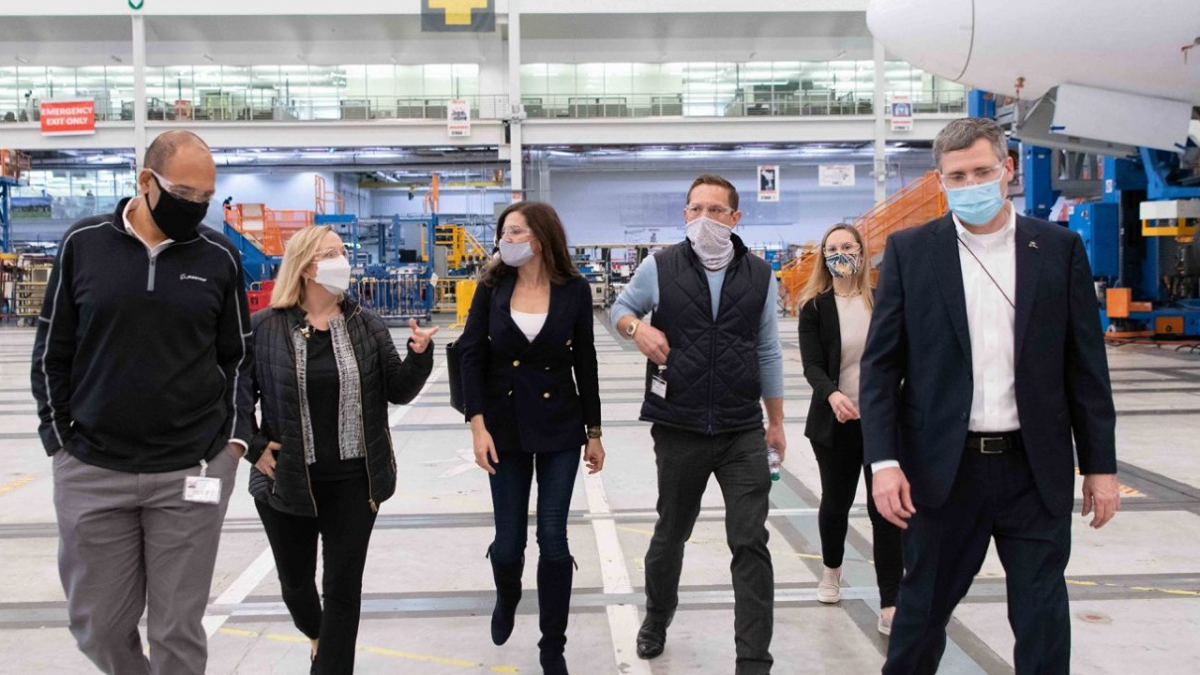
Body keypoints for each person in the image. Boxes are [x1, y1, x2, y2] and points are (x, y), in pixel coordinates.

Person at [860, 117, 1121, 674]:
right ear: (940, 181)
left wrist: (1100, 465)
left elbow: (1085, 367)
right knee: (921, 615)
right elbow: (880, 370)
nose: (971, 183)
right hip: (942, 472)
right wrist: (883, 462)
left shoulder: (1058, 248)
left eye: (982, 170)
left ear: (1007, 170)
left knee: (1042, 618)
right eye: (957, 175)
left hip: (1034, 468)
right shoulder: (910, 252)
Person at [31, 130, 253, 675]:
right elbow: (50, 352)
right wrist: (59, 443)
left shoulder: (219, 257)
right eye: (186, 194)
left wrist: (232, 446)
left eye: (207, 198)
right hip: (91, 468)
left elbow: (239, 359)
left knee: (177, 629)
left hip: (190, 470)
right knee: (100, 627)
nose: (196, 208)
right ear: (146, 181)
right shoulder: (83, 245)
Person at [612, 174, 784, 675]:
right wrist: (636, 328)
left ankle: (753, 658)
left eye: (715, 209)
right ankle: (657, 617)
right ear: (684, 214)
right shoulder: (659, 266)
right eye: (695, 209)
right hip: (679, 426)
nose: (703, 218)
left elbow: (768, 349)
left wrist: (775, 422)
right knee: (671, 532)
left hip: (740, 430)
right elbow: (620, 311)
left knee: (750, 540)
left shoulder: (760, 273)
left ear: (735, 218)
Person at [247, 225, 436, 674]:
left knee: (343, 590)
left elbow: (398, 389)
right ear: (307, 266)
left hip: (355, 482)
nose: (344, 261)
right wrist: (254, 445)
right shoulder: (265, 328)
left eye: (343, 251)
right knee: (296, 586)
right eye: (333, 253)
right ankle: (318, 634)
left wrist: (419, 354)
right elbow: (235, 396)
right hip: (286, 481)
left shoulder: (365, 324)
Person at [458, 201, 604, 675]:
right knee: (508, 544)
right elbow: (470, 355)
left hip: (560, 424)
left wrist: (594, 432)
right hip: (503, 427)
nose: (507, 240)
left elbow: (586, 360)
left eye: (515, 232)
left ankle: (552, 646)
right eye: (504, 232)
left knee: (554, 538)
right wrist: (477, 425)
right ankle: (508, 593)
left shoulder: (574, 290)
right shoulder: (491, 285)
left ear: (539, 238)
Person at [797, 223, 903, 635]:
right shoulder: (814, 305)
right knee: (836, 503)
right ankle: (831, 571)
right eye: (832, 248)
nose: (840, 253)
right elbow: (812, 365)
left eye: (847, 246)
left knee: (886, 510)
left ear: (861, 251)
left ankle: (891, 600)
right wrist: (832, 396)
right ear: (823, 257)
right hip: (834, 421)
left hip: (881, 421)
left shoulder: (882, 299)